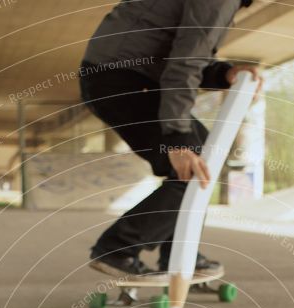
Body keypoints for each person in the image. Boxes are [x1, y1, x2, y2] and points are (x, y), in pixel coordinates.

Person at [80, 0, 262, 280]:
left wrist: (222, 73)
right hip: (122, 78)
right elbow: (183, 65)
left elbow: (181, 50)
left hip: (122, 74)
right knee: (195, 163)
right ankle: (117, 248)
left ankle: (178, 250)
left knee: (206, 154)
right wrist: (177, 140)